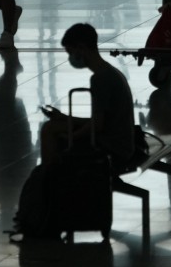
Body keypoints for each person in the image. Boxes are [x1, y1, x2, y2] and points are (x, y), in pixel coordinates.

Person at [39, 23, 135, 170]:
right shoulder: (111, 72)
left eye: (70, 52)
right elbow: (102, 120)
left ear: (81, 48)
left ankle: (49, 177)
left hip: (113, 148)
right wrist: (65, 118)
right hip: (122, 140)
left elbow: (97, 126)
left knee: (50, 130)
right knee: (56, 125)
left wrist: (72, 137)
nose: (71, 58)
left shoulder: (100, 79)